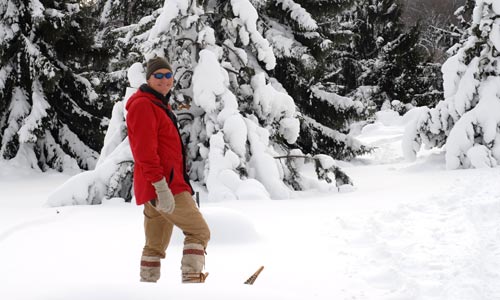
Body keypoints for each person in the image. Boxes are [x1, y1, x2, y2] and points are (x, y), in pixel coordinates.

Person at [125, 57, 210, 283]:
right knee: (199, 232)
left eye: (168, 75)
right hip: (164, 186)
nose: (164, 80)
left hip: (158, 186)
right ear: (149, 78)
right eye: (158, 75)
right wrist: (161, 187)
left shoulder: (157, 104)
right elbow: (144, 152)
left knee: (155, 245)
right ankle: (192, 283)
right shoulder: (143, 105)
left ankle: (148, 288)